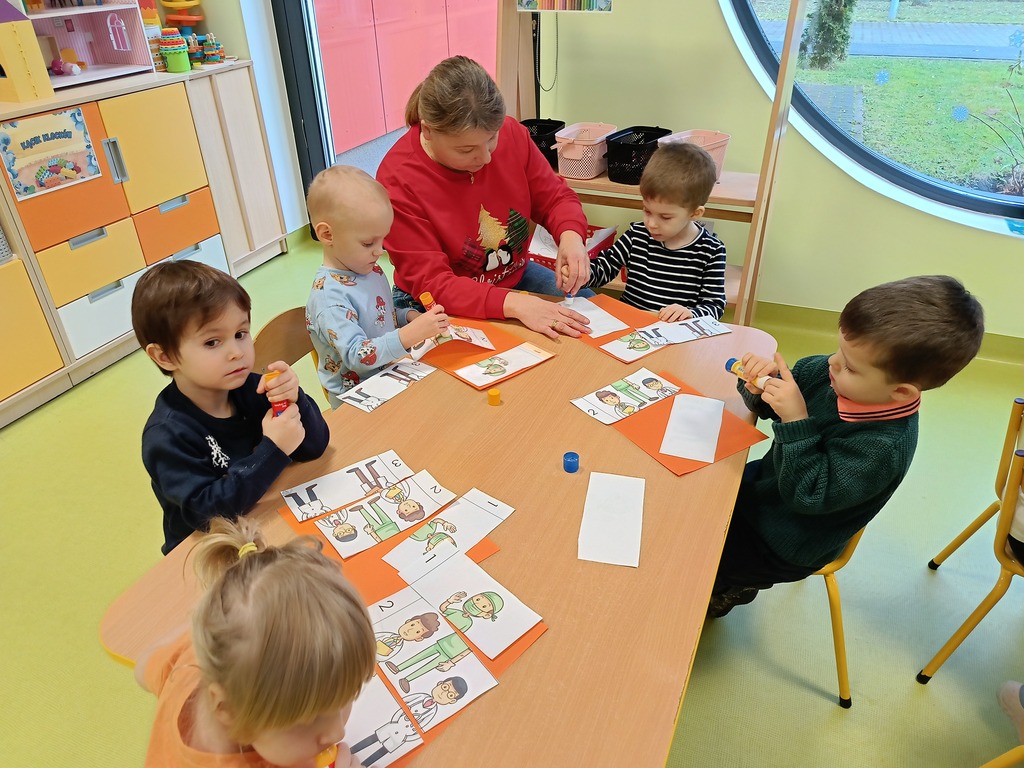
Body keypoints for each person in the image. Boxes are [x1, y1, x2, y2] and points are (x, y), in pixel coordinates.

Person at [709, 275, 985, 618]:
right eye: (839, 350)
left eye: (850, 366)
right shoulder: (830, 374)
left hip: (785, 541)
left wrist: (795, 420)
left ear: (900, 392)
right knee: (697, 507)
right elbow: (769, 405)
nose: (833, 363)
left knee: (703, 564)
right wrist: (759, 384)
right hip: (763, 489)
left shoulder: (883, 447)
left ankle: (730, 588)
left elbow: (808, 495)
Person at [376, 55, 594, 340]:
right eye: (466, 150)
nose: (486, 157)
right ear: (428, 130)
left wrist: (570, 236)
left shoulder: (512, 133)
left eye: (492, 139)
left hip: (514, 279)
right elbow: (435, 284)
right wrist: (514, 305)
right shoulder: (397, 180)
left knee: (590, 320)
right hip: (434, 302)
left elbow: (555, 197)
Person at [135, 518, 376, 767]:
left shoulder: (199, 654)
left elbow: (143, 668)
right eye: (308, 718)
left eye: (347, 696)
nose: (337, 732)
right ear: (227, 709)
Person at [132, 261, 330, 555]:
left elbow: (314, 447)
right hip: (210, 552)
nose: (237, 352)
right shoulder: (167, 436)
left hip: (261, 523)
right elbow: (208, 515)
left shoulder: (252, 388)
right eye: (212, 342)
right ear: (165, 356)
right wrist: (274, 449)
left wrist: (294, 398)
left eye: (240, 334)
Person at [305, 165, 450, 408]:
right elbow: (357, 356)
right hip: (357, 403)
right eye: (368, 243)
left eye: (383, 239)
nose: (379, 251)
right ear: (327, 235)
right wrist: (409, 334)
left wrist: (407, 317)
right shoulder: (328, 299)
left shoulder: (369, 269)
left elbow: (379, 317)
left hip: (393, 376)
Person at [571, 142, 727, 321]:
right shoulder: (637, 234)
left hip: (673, 332)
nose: (651, 224)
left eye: (665, 217)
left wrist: (691, 313)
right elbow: (604, 268)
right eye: (647, 211)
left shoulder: (711, 251)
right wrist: (580, 273)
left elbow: (715, 305)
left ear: (695, 213)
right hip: (630, 325)